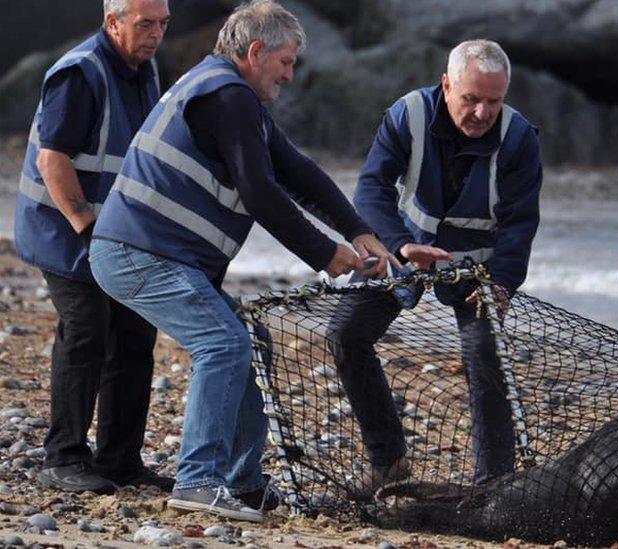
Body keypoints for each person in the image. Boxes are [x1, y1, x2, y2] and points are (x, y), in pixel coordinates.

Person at [88, 0, 395, 522]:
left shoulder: (231, 95)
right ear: (256, 52)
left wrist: (359, 231)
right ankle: (198, 480)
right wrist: (327, 254)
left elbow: (297, 170)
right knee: (223, 343)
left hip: (153, 255)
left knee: (249, 339)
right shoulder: (227, 97)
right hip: (136, 254)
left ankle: (244, 484)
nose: (291, 75)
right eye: (286, 62)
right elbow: (261, 193)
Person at [330, 39, 543, 498]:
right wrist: (401, 246)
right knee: (345, 333)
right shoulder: (407, 115)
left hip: (478, 270)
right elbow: (371, 190)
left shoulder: (520, 138)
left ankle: (494, 486)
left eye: (494, 100)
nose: (483, 112)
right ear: (446, 86)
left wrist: (503, 284)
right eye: (471, 99)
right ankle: (388, 461)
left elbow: (520, 225)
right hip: (402, 249)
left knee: (483, 352)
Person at [14, 0, 173, 495]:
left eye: (163, 24)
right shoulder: (80, 73)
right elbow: (52, 160)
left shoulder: (143, 68)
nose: (155, 35)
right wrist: (86, 224)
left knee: (134, 333)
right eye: (145, 24)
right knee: (86, 328)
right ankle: (62, 457)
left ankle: (120, 461)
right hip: (63, 228)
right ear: (112, 22)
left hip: (115, 231)